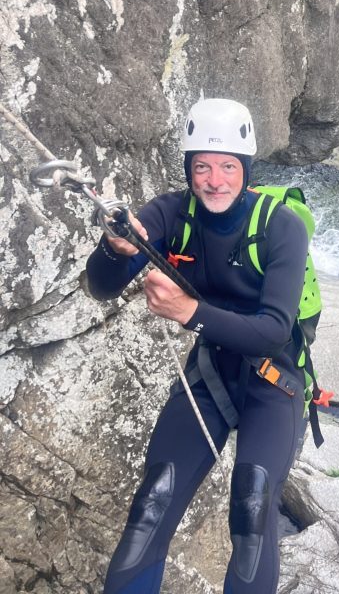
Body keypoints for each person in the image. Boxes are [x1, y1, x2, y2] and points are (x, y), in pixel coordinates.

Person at [85, 98, 309, 594]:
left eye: (228, 167)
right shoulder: (171, 213)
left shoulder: (281, 226)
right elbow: (102, 285)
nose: (214, 180)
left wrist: (189, 312)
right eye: (202, 166)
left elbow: (274, 330)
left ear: (246, 170)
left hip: (274, 382)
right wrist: (116, 248)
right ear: (188, 169)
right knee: (152, 504)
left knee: (252, 510)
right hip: (210, 373)